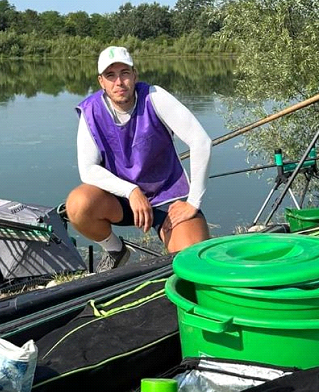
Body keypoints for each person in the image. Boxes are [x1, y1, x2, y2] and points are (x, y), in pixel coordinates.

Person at [66, 46, 212, 271]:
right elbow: (88, 170)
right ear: (101, 81)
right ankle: (116, 250)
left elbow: (201, 142)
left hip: (167, 197)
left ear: (135, 75)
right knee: (78, 205)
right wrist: (131, 191)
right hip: (121, 200)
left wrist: (193, 203)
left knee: (192, 263)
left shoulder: (155, 97)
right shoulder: (91, 111)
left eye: (124, 73)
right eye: (110, 75)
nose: (119, 82)